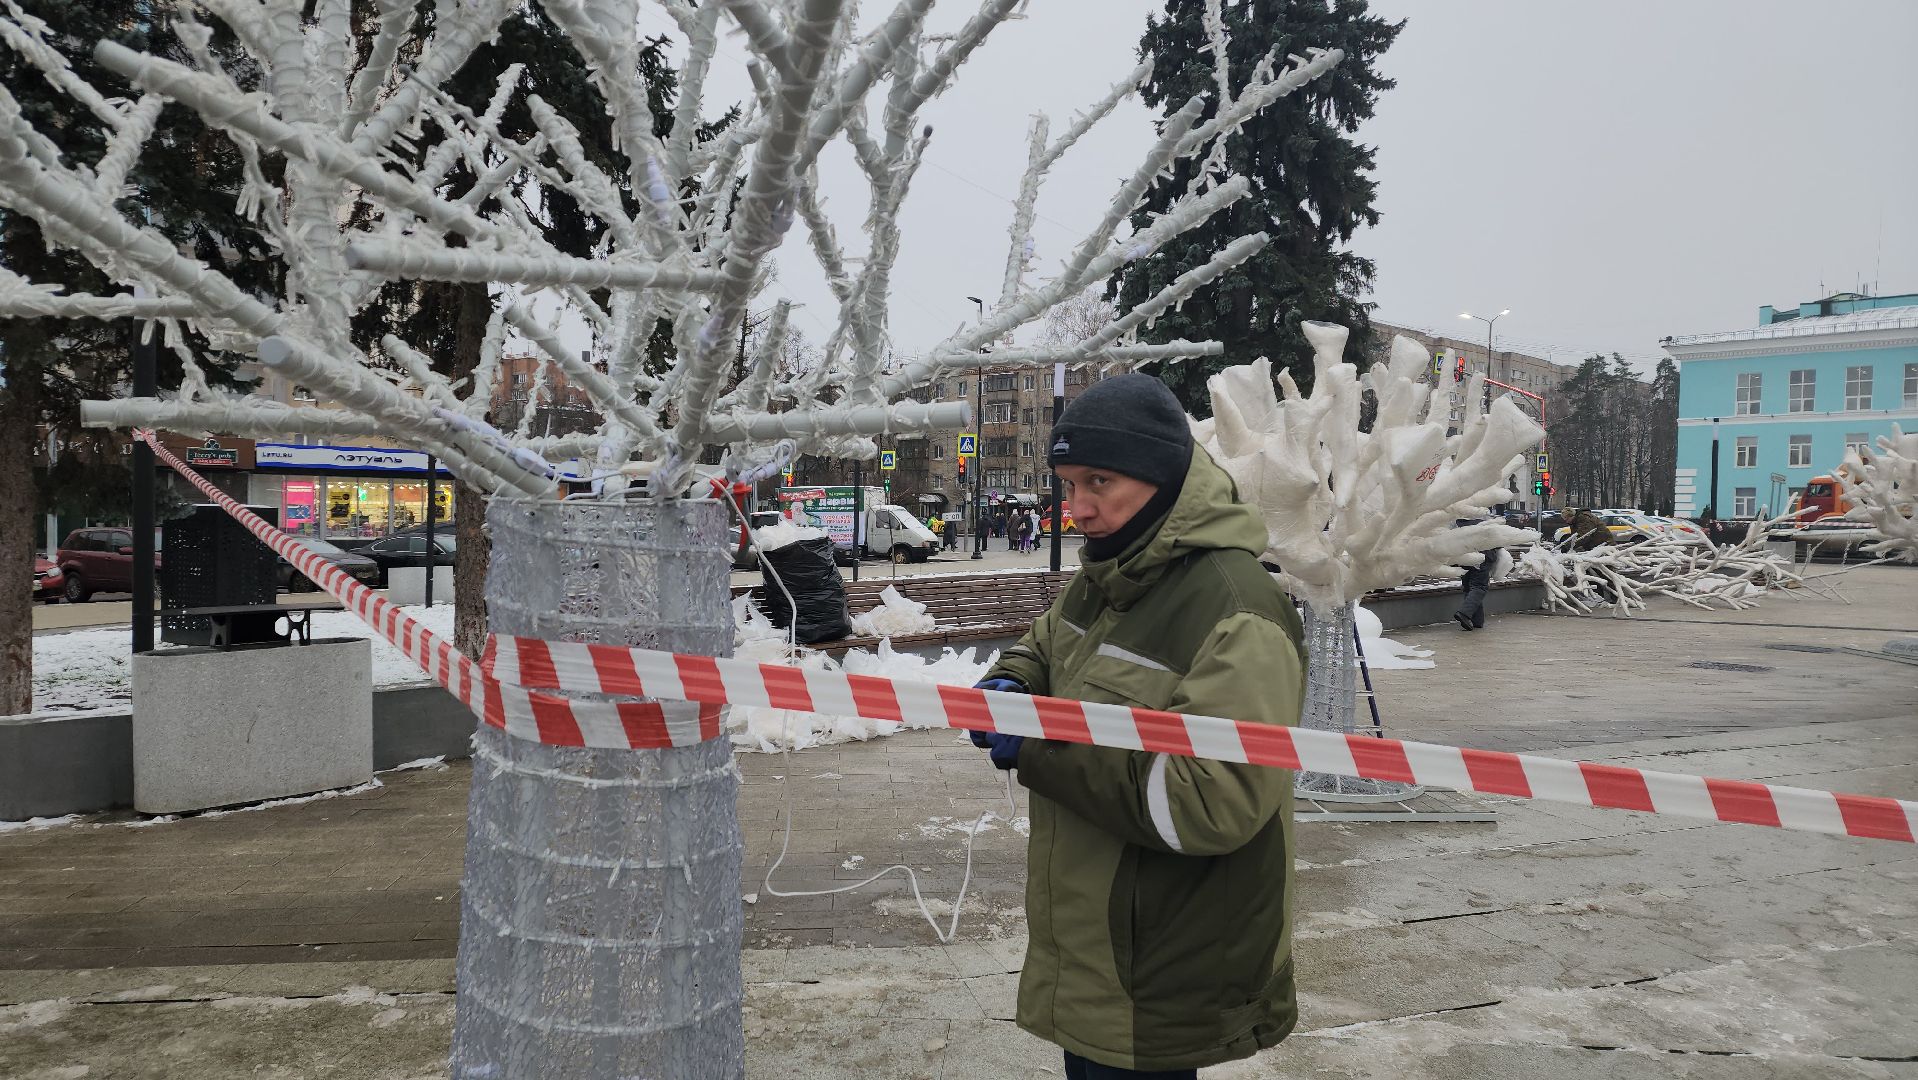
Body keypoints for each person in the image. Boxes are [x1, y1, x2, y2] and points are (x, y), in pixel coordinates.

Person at [969, 374, 1306, 1079]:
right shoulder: (1116, 575)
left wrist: (1039, 745)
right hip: (1102, 944)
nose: (1078, 509)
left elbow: (1210, 800)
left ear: (1162, 480)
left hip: (1163, 956)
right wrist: (1016, 679)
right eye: (1067, 485)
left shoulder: (1233, 606)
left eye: (1099, 482)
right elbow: (1049, 640)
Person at [1451, 517, 1508, 631]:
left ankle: (1477, 620)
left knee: (1469, 588)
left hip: (1464, 559)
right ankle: (1464, 613)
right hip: (1482, 558)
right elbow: (1497, 541)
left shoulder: (1458, 523)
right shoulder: (1484, 522)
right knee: (1479, 587)